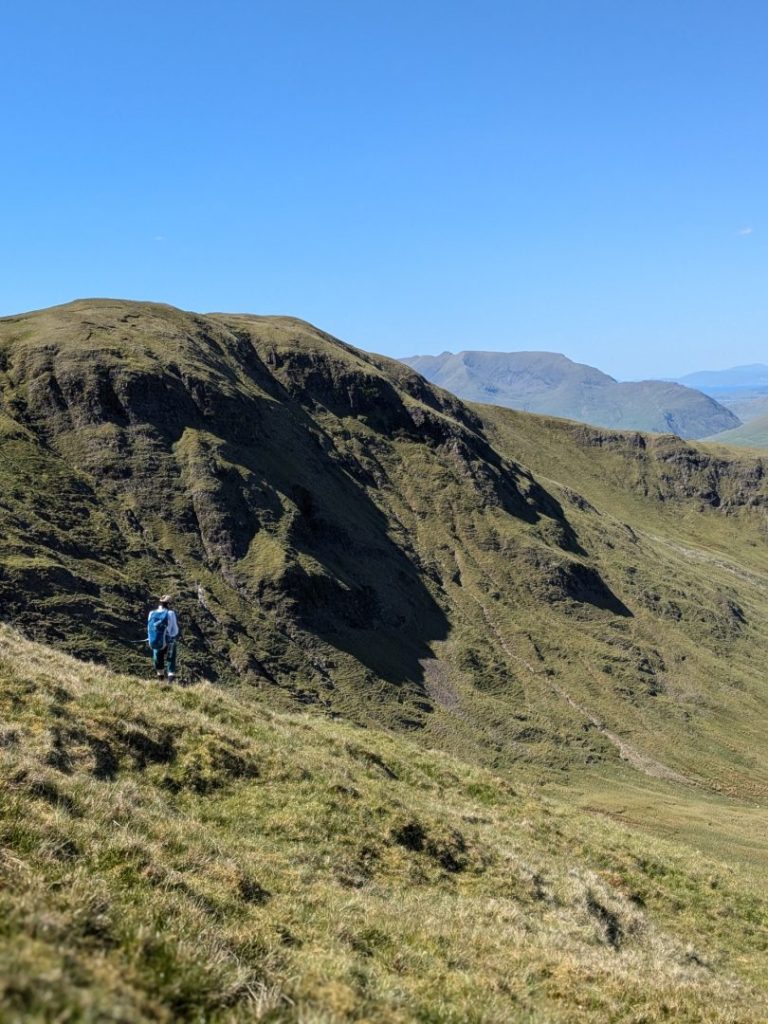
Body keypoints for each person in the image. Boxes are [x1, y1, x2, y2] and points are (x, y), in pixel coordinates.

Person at [147, 594, 180, 682]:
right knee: (171, 660)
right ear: (169, 603)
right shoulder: (170, 613)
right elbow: (175, 630)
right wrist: (171, 635)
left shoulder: (151, 613)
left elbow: (149, 628)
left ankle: (160, 682)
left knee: (158, 660)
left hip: (156, 639)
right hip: (169, 641)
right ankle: (170, 682)